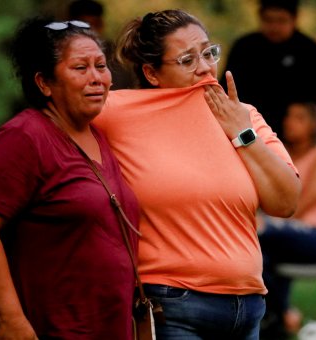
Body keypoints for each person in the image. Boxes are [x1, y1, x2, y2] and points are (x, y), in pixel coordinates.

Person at [94, 9, 301, 340]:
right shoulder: (116, 112)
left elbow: (285, 201)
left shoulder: (242, 114)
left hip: (248, 306)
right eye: (187, 60)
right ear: (152, 73)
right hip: (174, 304)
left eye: (208, 52)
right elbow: (55, 114)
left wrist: (242, 133)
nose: (205, 66)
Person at [0, 17, 140, 339]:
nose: (97, 78)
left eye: (101, 65)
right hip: (48, 329)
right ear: (44, 83)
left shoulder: (98, 136)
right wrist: (11, 320)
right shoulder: (24, 137)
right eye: (80, 68)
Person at [258, 102, 316, 339]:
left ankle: (281, 314)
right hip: (283, 235)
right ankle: (277, 320)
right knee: (259, 256)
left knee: (257, 234)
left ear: (314, 125)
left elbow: (298, 206)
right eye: (288, 116)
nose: (288, 122)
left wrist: (268, 222)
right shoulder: (278, 154)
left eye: (299, 118)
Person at [221, 0, 316, 138]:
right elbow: (223, 95)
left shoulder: (314, 55)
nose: (274, 27)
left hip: (293, 143)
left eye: (281, 20)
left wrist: (311, 143)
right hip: (246, 136)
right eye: (269, 20)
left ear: (294, 19)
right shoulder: (243, 49)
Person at [68, 0, 136, 89]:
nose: (90, 31)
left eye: (94, 25)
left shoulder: (117, 55)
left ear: (101, 25)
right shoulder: (63, 54)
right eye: (84, 27)